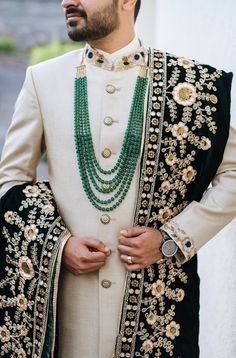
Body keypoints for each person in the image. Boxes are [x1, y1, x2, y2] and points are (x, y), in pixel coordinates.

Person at [0, 0, 235, 357]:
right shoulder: (43, 80)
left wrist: (172, 239)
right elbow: (11, 181)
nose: (67, 1)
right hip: (66, 319)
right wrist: (58, 246)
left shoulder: (190, 86)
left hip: (158, 312)